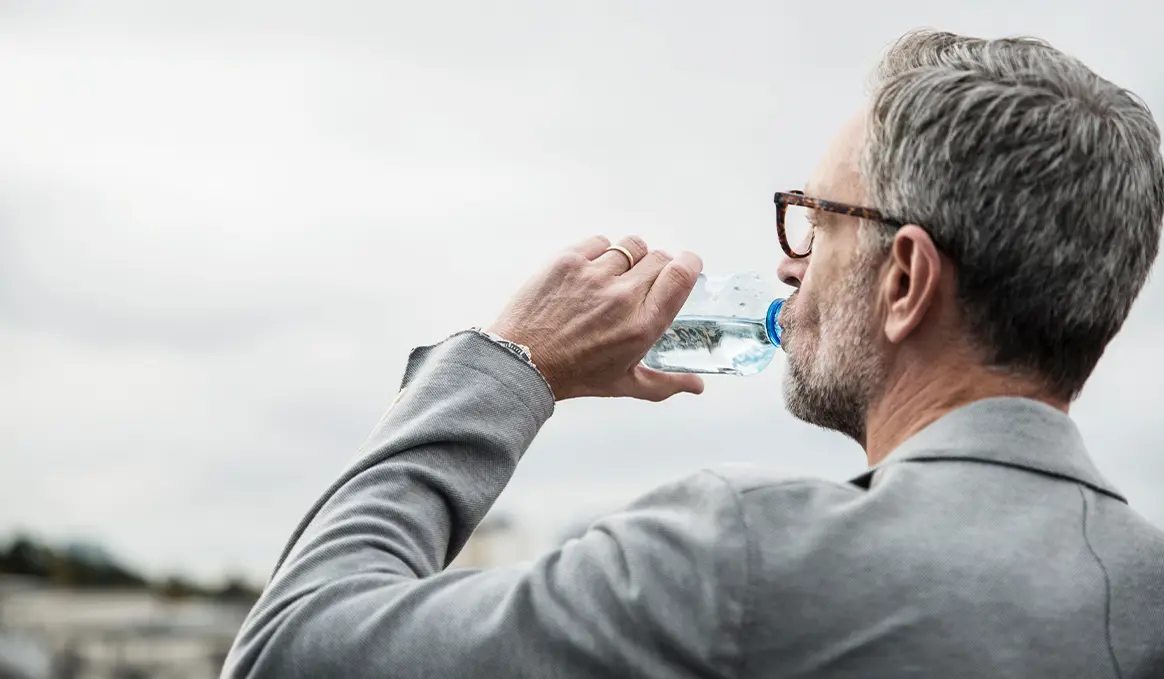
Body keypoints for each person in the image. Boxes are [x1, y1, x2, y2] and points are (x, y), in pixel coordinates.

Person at [221, 29, 1164, 678]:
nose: (789, 267)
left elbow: (293, 652)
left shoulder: (741, 554)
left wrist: (509, 362)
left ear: (905, 279)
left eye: (815, 222)